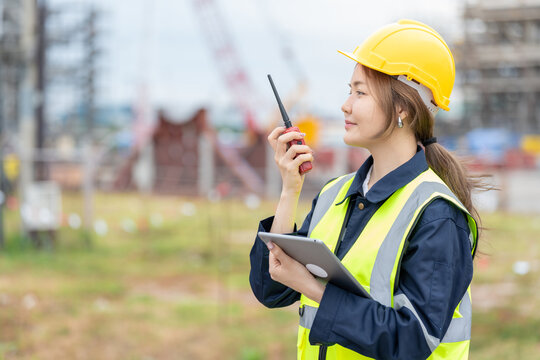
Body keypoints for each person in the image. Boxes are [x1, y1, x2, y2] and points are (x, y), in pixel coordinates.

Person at [249, 19, 484, 360]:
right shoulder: (335, 194)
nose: (345, 104)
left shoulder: (437, 214)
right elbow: (271, 289)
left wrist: (314, 289)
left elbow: (412, 340)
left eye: (360, 92)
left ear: (403, 107)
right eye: (349, 90)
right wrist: (289, 189)